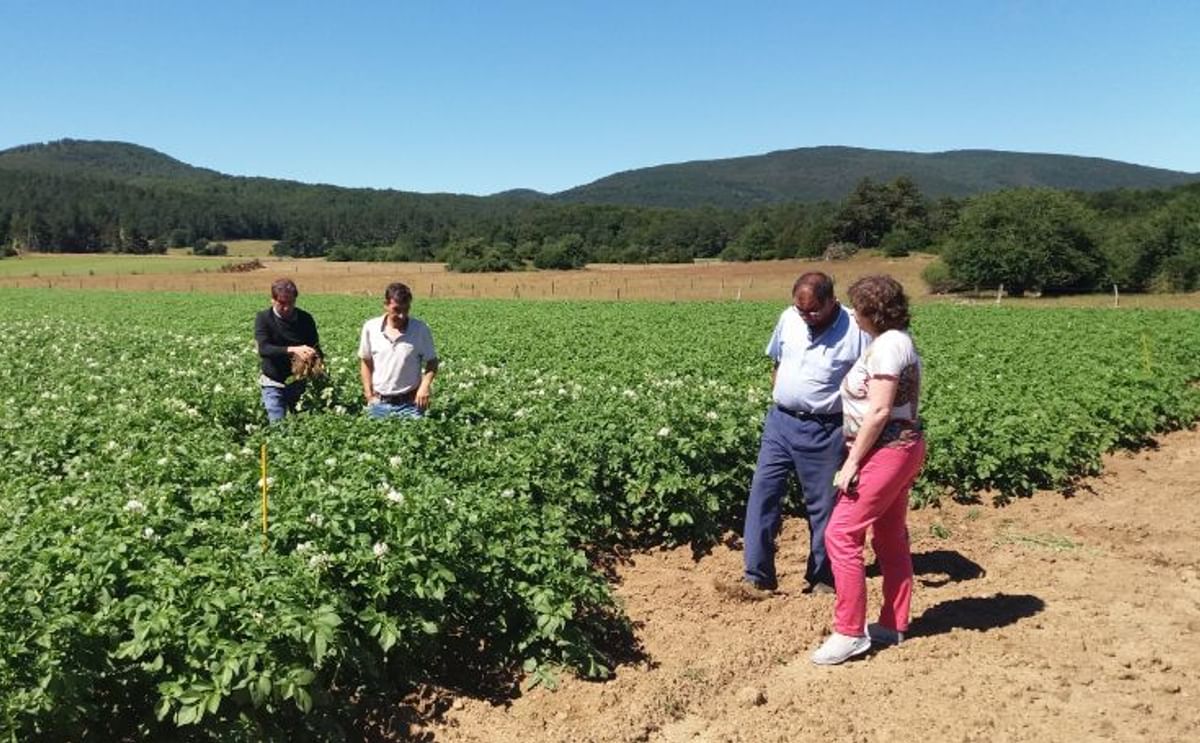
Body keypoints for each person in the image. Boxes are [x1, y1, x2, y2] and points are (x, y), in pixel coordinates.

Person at [717, 272, 869, 600]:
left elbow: (871, 382)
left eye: (814, 311)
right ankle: (757, 576)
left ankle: (823, 578)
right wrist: (785, 395)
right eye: (802, 310)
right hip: (780, 423)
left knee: (824, 507)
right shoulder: (789, 319)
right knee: (763, 495)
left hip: (826, 428)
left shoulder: (856, 329)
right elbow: (777, 360)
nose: (807, 317)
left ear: (833, 301)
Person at [812, 274, 926, 665]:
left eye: (858, 308)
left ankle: (849, 632)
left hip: (886, 450)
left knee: (841, 533)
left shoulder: (888, 347)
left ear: (872, 311)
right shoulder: (898, 342)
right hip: (902, 447)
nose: (853, 315)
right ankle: (893, 622)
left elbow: (879, 410)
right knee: (890, 535)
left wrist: (853, 463)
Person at [358, 282, 439, 419]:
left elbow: (432, 362)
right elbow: (366, 361)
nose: (402, 315)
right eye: (396, 310)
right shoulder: (370, 328)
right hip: (378, 404)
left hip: (411, 404)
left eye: (406, 310)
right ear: (386, 305)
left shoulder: (420, 329)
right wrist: (368, 394)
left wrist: (424, 387)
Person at [254, 278, 321, 423]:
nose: (286, 308)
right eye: (281, 303)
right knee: (278, 425)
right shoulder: (264, 318)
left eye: (290, 303)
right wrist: (293, 350)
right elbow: (264, 349)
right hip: (273, 381)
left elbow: (315, 346)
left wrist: (314, 359)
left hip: (299, 382)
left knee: (303, 424)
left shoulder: (305, 319)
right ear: (272, 300)